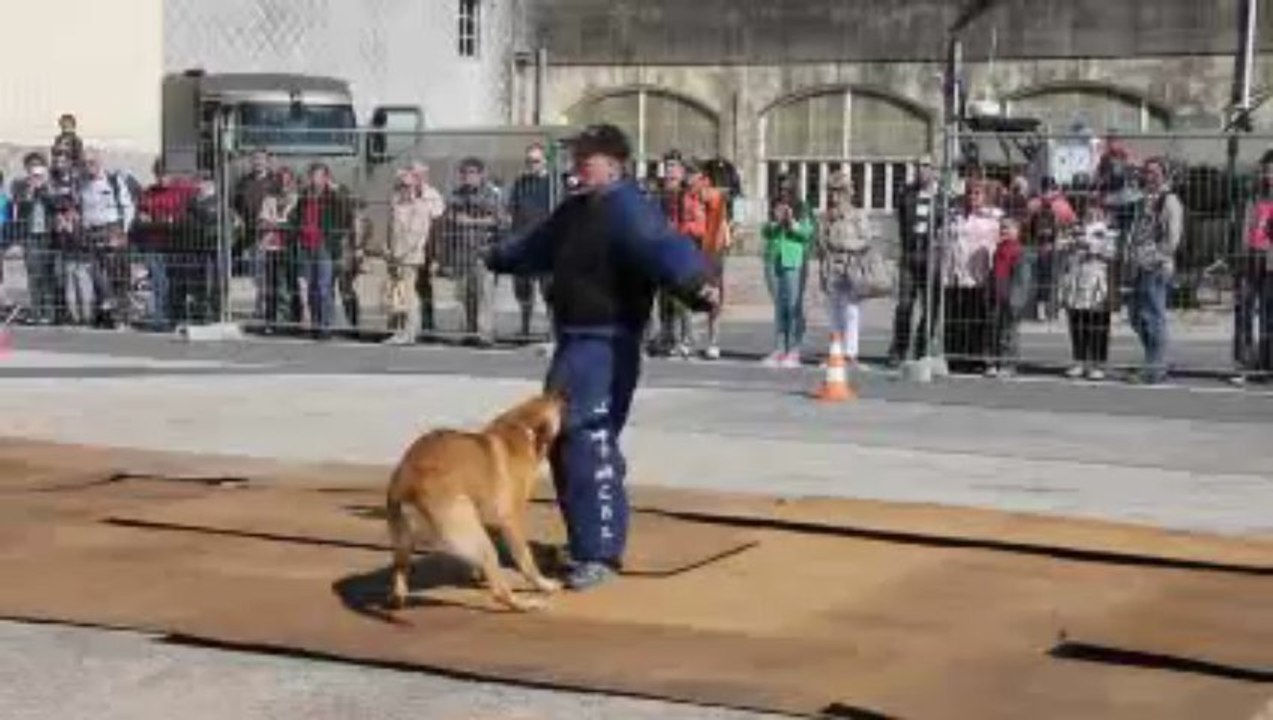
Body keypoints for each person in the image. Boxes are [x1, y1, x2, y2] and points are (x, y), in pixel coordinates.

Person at [484, 123, 717, 591]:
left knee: (589, 439)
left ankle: (601, 553)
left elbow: (664, 247)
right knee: (560, 441)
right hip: (571, 340)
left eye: (584, 159)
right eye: (575, 158)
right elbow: (536, 246)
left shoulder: (629, 208)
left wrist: (696, 284)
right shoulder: (575, 211)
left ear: (613, 163)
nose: (575, 167)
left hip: (607, 343)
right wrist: (498, 255)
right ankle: (583, 542)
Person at [816, 171, 882, 374]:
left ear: (847, 193)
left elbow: (867, 239)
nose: (834, 197)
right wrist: (823, 241)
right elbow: (820, 243)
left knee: (852, 311)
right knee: (834, 312)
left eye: (838, 192)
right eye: (832, 192)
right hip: (832, 267)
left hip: (852, 267)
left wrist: (846, 244)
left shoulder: (857, 215)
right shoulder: (827, 216)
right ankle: (836, 351)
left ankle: (851, 354)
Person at [1126, 157, 1183, 385]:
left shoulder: (1170, 200)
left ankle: (1154, 368)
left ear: (1163, 175)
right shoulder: (1144, 199)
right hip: (1138, 265)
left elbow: (1173, 238)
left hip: (1156, 267)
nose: (1149, 176)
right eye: (1146, 172)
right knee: (1134, 315)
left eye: (1154, 172)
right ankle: (1157, 359)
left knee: (1153, 317)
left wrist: (1157, 258)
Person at [942, 181, 1001, 374]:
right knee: (954, 319)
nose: (972, 197)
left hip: (978, 276)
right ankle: (954, 357)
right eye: (970, 193)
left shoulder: (992, 218)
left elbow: (996, 245)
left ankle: (976, 358)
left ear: (984, 196)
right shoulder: (954, 216)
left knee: (975, 319)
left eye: (977, 193)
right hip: (954, 275)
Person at [889, 156, 941, 365]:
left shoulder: (943, 196)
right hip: (910, 254)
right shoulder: (906, 193)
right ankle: (899, 349)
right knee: (904, 304)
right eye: (919, 166)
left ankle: (922, 348)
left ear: (934, 170)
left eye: (926, 166)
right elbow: (900, 220)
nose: (921, 170)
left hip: (931, 257)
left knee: (931, 306)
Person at [385, 168, 444, 344]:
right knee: (398, 293)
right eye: (401, 185)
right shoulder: (396, 204)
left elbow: (416, 234)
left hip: (410, 256)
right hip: (395, 255)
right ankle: (399, 329)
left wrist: (400, 254)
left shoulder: (419, 206)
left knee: (409, 293)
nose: (403, 189)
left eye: (407, 185)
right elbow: (390, 229)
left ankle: (410, 331)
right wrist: (387, 249)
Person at [1058, 201, 1116, 380]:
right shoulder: (1075, 228)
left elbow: (1112, 253)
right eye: (1088, 208)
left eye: (1095, 208)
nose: (1091, 211)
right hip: (1076, 281)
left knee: (1097, 324)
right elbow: (1060, 245)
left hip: (1097, 282)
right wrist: (1068, 243)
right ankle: (1079, 361)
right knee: (1077, 323)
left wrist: (1092, 247)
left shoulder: (1107, 231)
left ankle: (1098, 364)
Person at [1233, 149, 1273, 384]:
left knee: (1268, 317)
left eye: (1272, 171)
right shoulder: (1253, 198)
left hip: (1270, 264)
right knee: (1244, 314)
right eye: (1266, 170)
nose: (1268, 175)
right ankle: (1245, 365)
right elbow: (1245, 229)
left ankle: (1267, 366)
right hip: (1249, 260)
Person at [761, 189, 814, 367]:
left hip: (793, 261)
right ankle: (779, 349)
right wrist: (775, 221)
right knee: (779, 307)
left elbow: (807, 234)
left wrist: (792, 222)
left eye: (787, 190)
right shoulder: (774, 211)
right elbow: (765, 232)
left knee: (793, 306)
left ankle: (794, 350)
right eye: (781, 190)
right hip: (774, 260)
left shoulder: (802, 210)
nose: (783, 194)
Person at [508, 142, 556, 339]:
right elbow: (512, 208)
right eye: (529, 161)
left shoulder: (554, 184)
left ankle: (553, 329)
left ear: (545, 161)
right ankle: (525, 326)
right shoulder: (520, 183)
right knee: (522, 288)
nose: (532, 165)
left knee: (549, 289)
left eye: (536, 161)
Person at [688, 162, 731, 359]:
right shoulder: (687, 197)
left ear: (703, 179)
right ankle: (688, 338)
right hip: (690, 250)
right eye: (689, 175)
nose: (689, 180)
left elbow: (716, 228)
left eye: (693, 175)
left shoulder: (713, 197)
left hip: (711, 252)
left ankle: (713, 341)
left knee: (712, 296)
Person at [986, 218, 1028, 378]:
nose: (1004, 231)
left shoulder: (1019, 251)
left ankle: (1008, 363)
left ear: (1017, 232)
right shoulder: (998, 249)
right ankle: (993, 362)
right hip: (996, 295)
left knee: (1009, 332)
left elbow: (1022, 279)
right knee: (994, 330)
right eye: (1002, 228)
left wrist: (1016, 300)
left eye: (1008, 228)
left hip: (1010, 298)